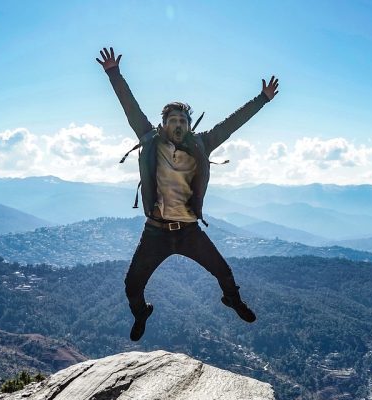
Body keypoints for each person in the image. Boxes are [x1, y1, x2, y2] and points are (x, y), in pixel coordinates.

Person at [96, 47, 279, 341]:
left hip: (189, 230)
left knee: (224, 272)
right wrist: (113, 73)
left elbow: (231, 124)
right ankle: (142, 312)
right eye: (173, 121)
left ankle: (232, 300)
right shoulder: (150, 140)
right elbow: (130, 108)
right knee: (132, 285)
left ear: (189, 125)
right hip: (156, 231)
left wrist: (262, 100)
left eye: (183, 121)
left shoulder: (202, 144)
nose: (178, 125)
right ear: (164, 124)